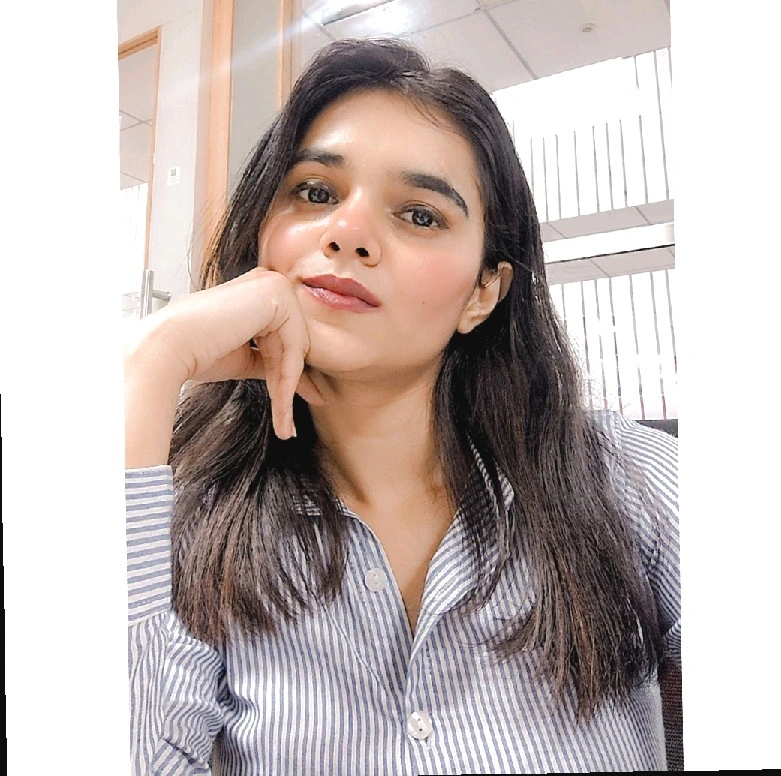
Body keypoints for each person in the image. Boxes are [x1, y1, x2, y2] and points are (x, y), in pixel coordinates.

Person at [125, 38, 679, 774]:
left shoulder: (620, 476)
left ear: (482, 294)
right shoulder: (190, 525)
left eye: (419, 215)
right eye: (315, 192)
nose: (348, 234)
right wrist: (148, 365)